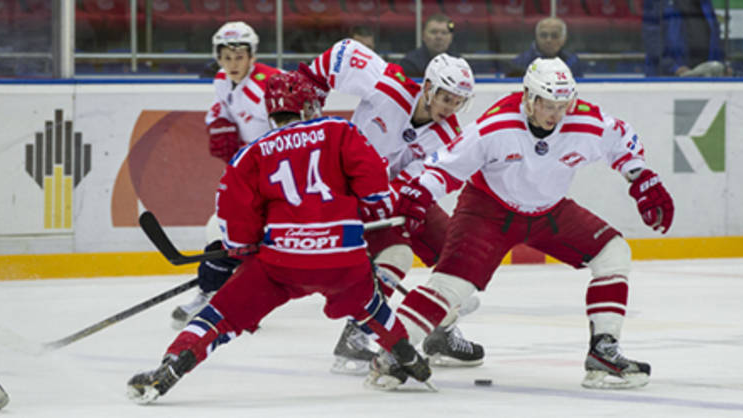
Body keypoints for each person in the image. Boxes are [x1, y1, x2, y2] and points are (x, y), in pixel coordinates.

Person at [127, 70, 432, 404]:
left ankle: (175, 361)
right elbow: (375, 186)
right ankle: (407, 355)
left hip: (281, 261)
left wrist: (244, 249)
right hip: (343, 258)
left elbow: (234, 216)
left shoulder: (252, 153)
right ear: (307, 107)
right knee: (370, 307)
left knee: (221, 314)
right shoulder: (339, 130)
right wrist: (368, 212)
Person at [387, 57, 675, 389]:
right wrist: (420, 193)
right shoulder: (496, 125)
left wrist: (641, 178)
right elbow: (447, 166)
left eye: (563, 105)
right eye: (548, 105)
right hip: (487, 212)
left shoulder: (585, 120)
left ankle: (603, 352)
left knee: (614, 253)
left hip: (549, 213)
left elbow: (621, 139)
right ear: (528, 97)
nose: (556, 114)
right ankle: (391, 354)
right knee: (451, 288)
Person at [300, 39, 484, 374]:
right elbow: (344, 52)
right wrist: (310, 86)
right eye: (446, 98)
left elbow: (416, 181)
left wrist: (391, 199)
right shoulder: (390, 87)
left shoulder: (449, 136)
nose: (450, 108)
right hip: (341, 189)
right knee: (396, 256)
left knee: (457, 255)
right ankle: (357, 333)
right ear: (427, 88)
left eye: (458, 102)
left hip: (390, 198)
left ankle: (441, 332)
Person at [171, 21, 281, 330]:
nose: (232, 64)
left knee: (233, 232)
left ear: (252, 56)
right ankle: (219, 293)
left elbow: (296, 133)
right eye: (226, 57)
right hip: (248, 175)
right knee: (224, 230)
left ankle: (221, 294)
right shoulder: (222, 80)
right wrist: (219, 121)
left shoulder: (269, 87)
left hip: (275, 177)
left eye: (239, 57)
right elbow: (222, 107)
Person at [643, 0, 726, 77]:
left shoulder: (705, 3)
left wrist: (721, 66)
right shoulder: (659, 3)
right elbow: (652, 42)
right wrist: (674, 67)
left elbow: (715, 37)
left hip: (705, 77)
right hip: (668, 79)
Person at [508, 17, 584, 78]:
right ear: (536, 37)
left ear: (564, 38)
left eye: (554, 35)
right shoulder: (520, 63)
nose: (548, 40)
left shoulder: (573, 62)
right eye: (543, 35)